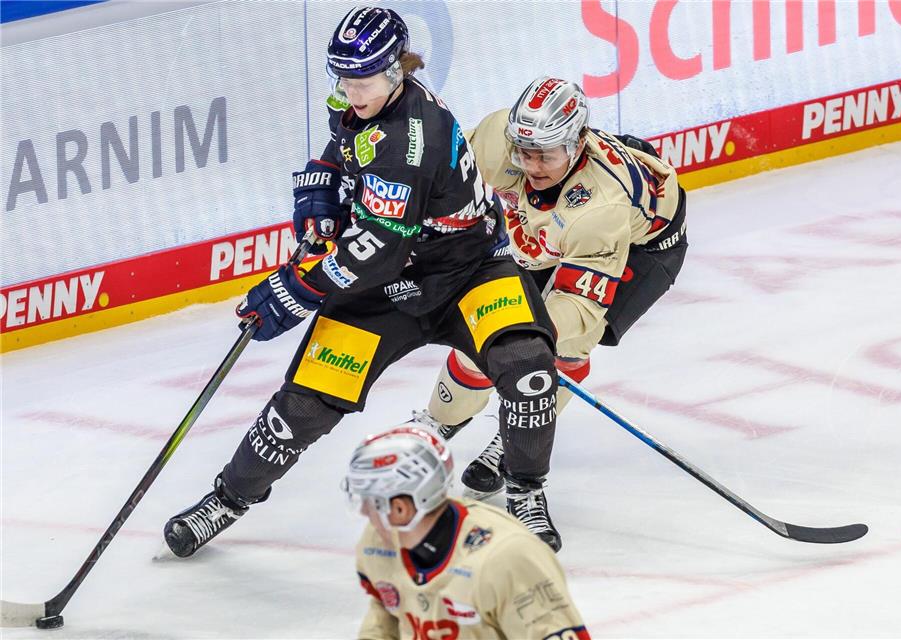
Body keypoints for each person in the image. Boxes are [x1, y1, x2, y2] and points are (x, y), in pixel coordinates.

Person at [163, 7, 564, 556]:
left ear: (396, 71)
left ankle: (525, 490)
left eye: (364, 80)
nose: (352, 93)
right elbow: (345, 148)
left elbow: (378, 249)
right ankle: (226, 500)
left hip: (466, 273)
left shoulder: (411, 144)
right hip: (386, 289)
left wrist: (295, 290)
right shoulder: (360, 100)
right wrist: (322, 187)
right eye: (344, 79)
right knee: (303, 406)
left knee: (529, 371)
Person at [422, 77, 687, 500]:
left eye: (545, 154)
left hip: (639, 248)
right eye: (524, 152)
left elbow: (579, 307)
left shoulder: (601, 208)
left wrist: (513, 330)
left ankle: (515, 437)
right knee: (486, 323)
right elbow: (435, 180)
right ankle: (438, 423)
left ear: (577, 144)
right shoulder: (496, 140)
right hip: (552, 235)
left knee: (564, 344)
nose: (532, 166)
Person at [344, 423, 591, 639]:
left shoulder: (509, 559)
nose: (364, 512)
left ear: (400, 508)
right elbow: (386, 615)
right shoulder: (378, 544)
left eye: (369, 501)